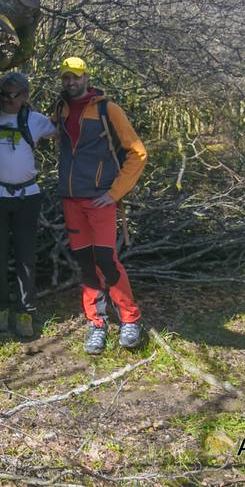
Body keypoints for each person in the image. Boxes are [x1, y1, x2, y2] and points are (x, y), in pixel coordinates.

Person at [53, 57, 148, 354]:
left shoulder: (108, 109)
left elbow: (138, 153)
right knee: (85, 262)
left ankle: (130, 319)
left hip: (100, 200)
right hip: (71, 200)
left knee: (107, 260)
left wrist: (116, 192)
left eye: (76, 77)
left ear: (86, 77)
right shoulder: (61, 108)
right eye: (66, 77)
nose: (71, 82)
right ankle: (97, 324)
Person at [0, 72, 56, 339]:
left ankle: (25, 310)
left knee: (25, 255)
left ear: (26, 96)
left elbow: (65, 131)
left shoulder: (36, 120)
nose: (8, 99)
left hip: (28, 197)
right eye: (3, 94)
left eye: (14, 95)